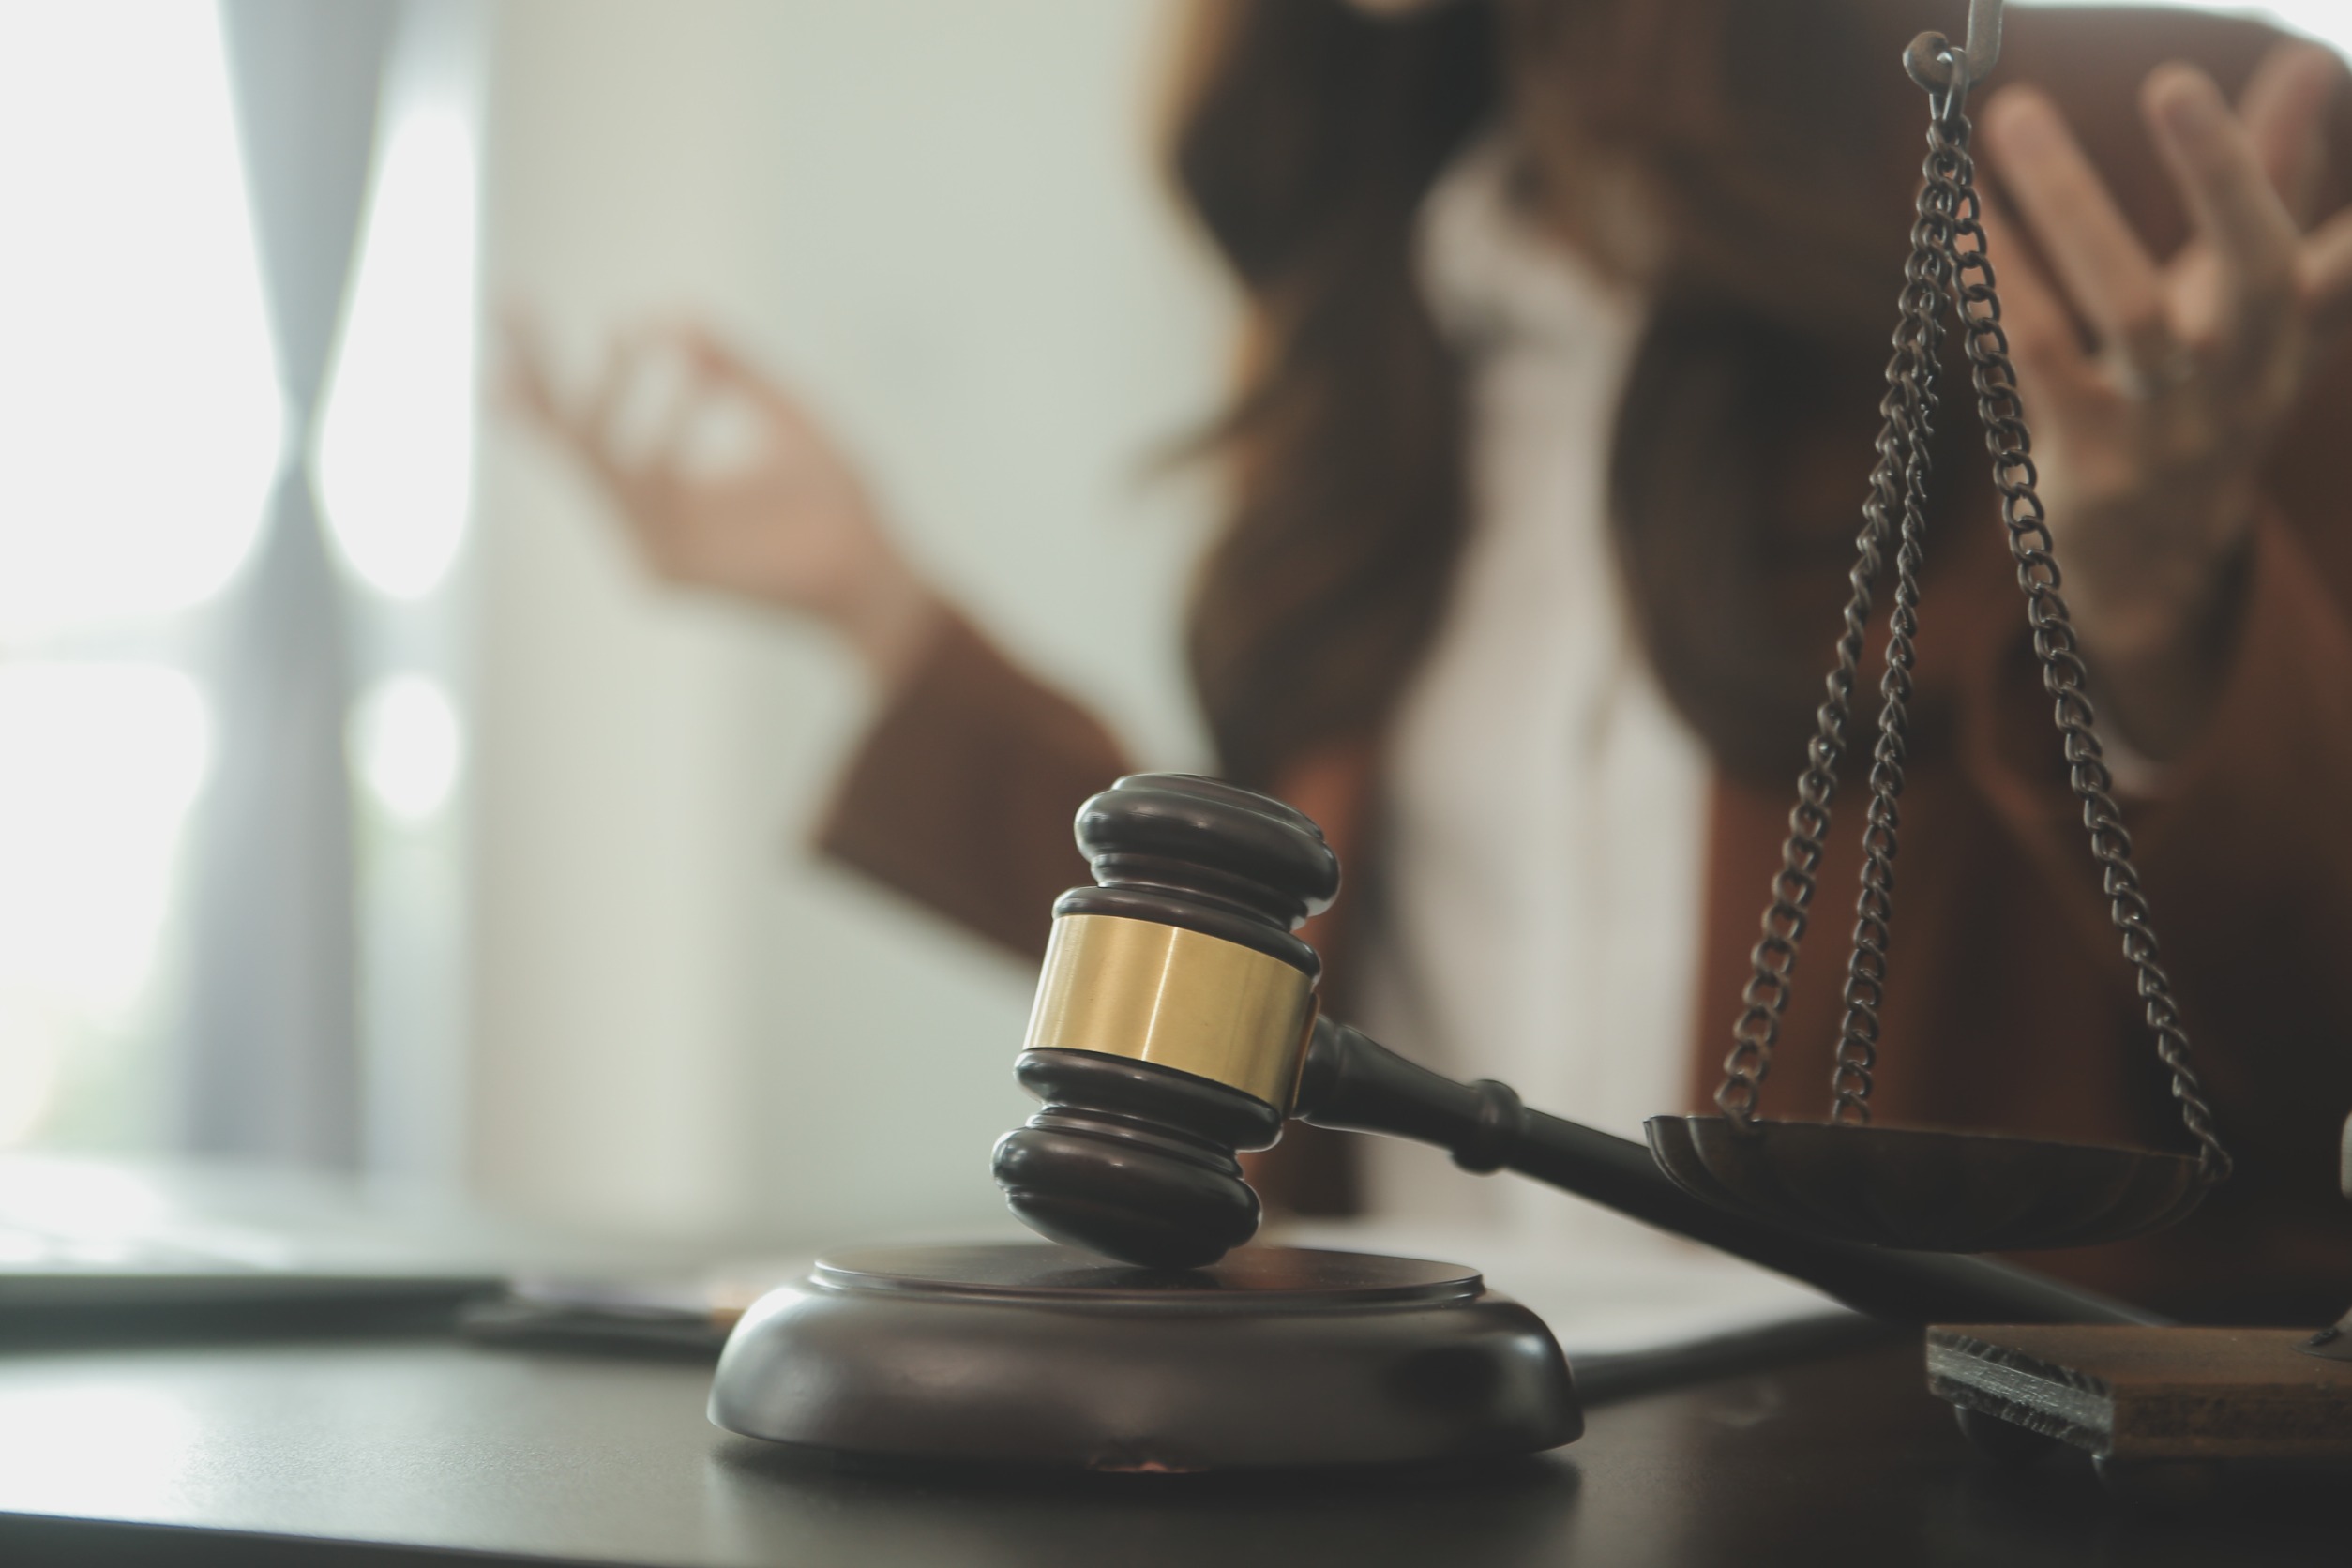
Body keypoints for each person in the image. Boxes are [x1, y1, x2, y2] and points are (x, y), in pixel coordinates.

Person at [511, 0, 2352, 1323]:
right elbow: (1287, 988)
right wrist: (879, 610)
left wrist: (2163, 621)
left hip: (1929, 1489)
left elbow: (2302, 1040)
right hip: (1434, 1463)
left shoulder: (2108, 169)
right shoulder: (1379, 316)